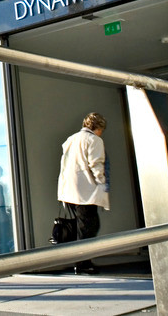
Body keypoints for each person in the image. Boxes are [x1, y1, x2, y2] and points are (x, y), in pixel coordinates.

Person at [57, 112, 109, 274]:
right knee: (89, 227)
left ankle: (81, 261)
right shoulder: (94, 140)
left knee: (83, 226)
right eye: (101, 129)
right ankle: (82, 263)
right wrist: (102, 183)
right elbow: (96, 164)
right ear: (97, 127)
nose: (101, 132)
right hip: (86, 190)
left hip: (69, 189)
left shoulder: (70, 139)